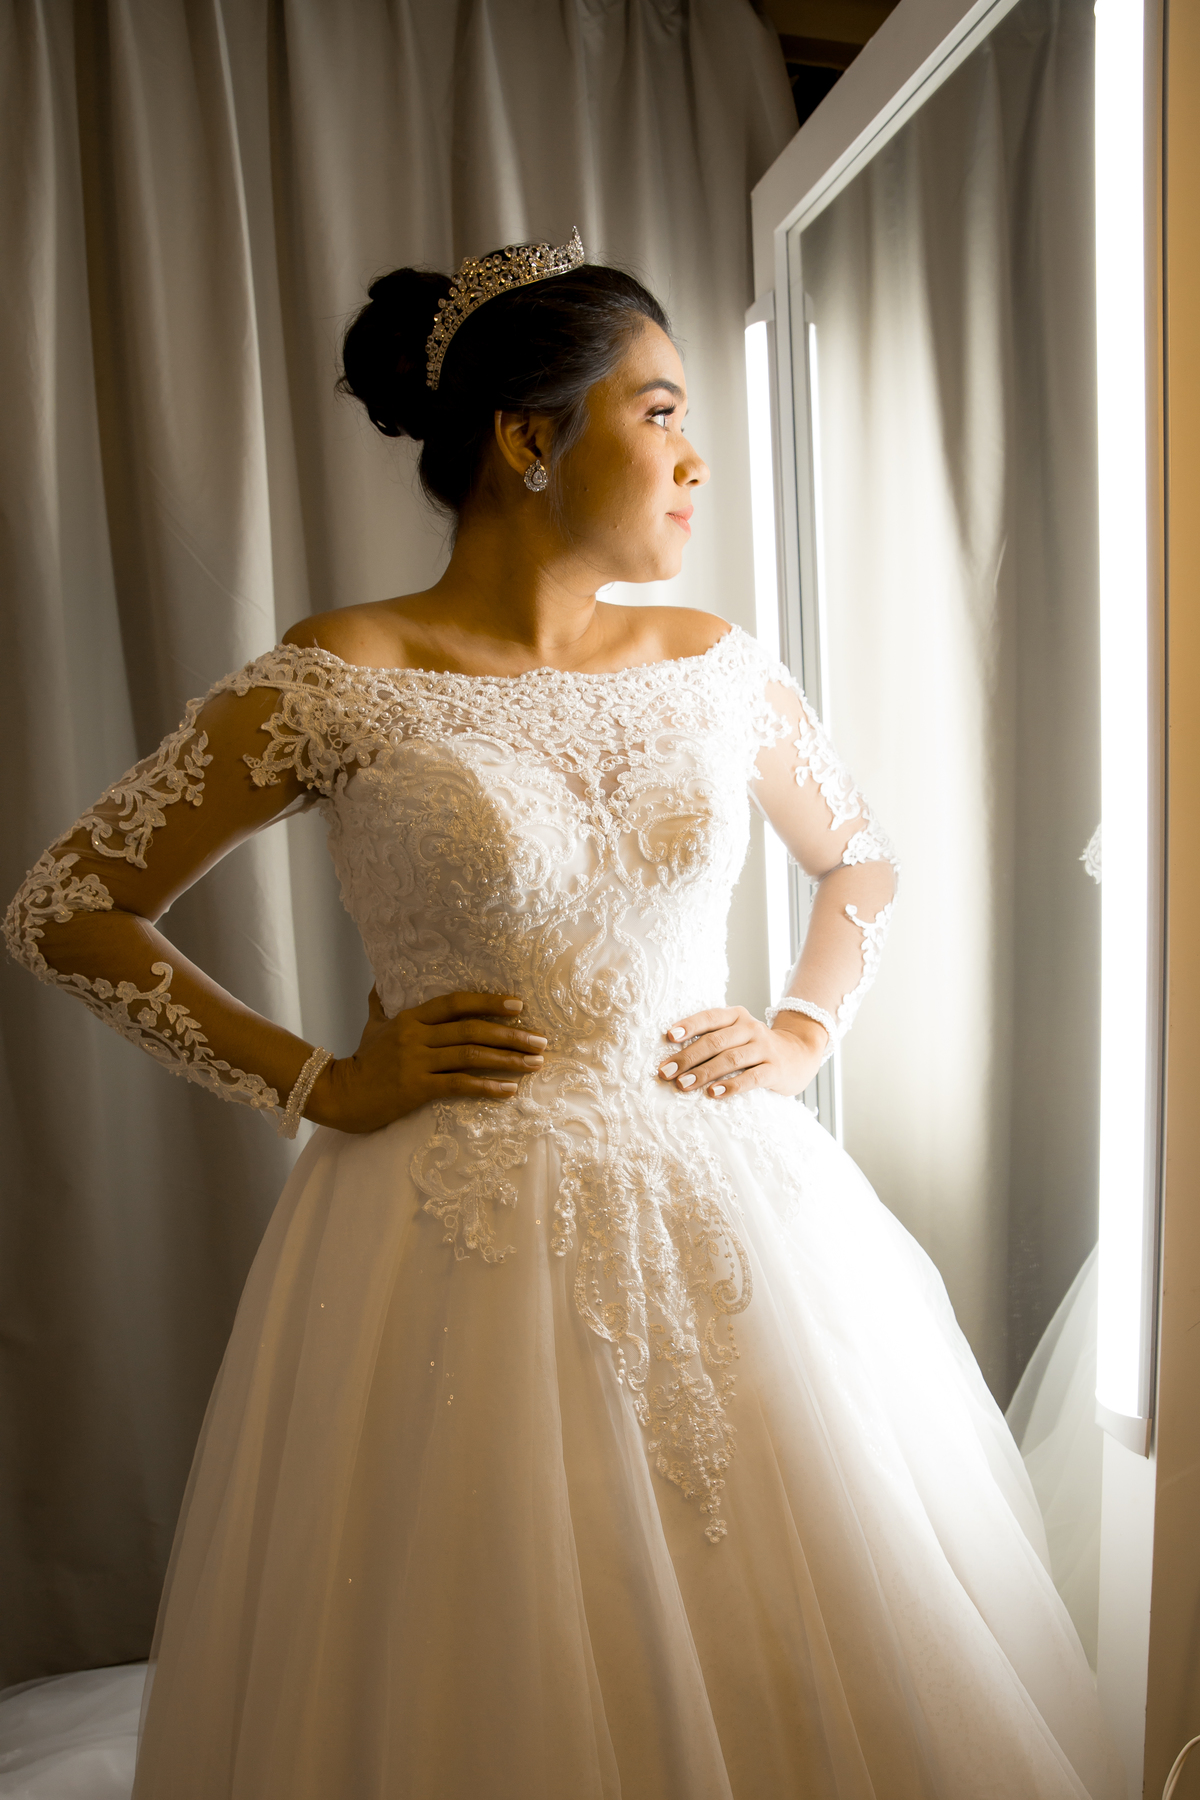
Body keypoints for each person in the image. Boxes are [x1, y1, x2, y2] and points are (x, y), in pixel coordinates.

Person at [5, 231, 1122, 1800]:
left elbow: (859, 864)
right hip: (449, 1220)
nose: (696, 461)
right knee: (496, 1624)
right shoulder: (343, 675)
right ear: (530, 437)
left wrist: (801, 1031)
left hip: (731, 1203)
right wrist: (319, 1081)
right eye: (659, 413)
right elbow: (65, 909)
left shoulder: (714, 665)